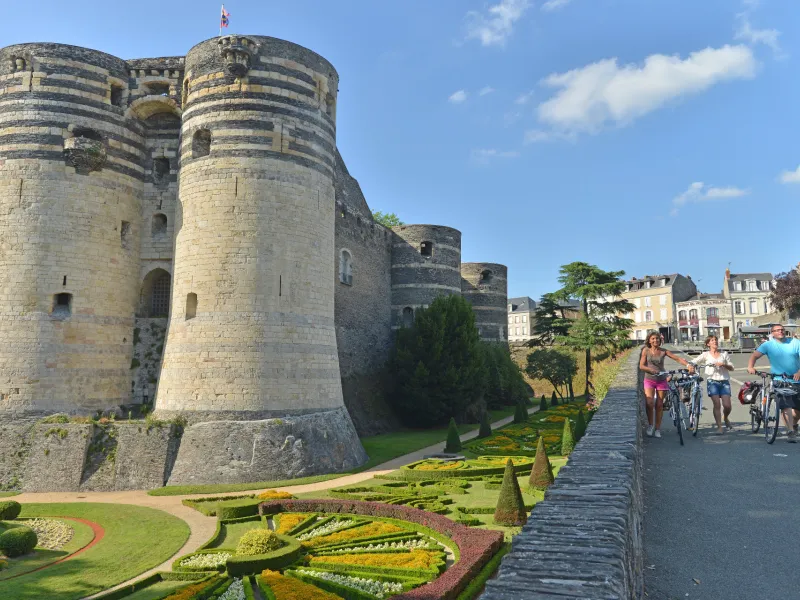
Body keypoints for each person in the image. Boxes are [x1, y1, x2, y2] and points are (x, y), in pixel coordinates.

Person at [747, 324, 800, 442]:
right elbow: (754, 356)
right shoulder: (768, 345)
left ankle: (794, 425)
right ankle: (790, 431)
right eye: (777, 330)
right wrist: (750, 367)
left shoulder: (795, 342)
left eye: (782, 330)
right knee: (786, 406)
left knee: (797, 411)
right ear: (773, 333)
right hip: (779, 380)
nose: (780, 331)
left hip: (796, 380)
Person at [640, 331, 694, 438]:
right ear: (649, 340)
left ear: (660, 340)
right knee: (649, 403)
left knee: (659, 405)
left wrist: (688, 365)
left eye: (657, 339)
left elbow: (677, 358)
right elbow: (641, 366)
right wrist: (650, 370)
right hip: (649, 379)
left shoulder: (663, 351)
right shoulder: (645, 351)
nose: (656, 340)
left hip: (661, 379)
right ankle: (651, 425)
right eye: (653, 338)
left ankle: (658, 429)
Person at [689, 335, 734, 434]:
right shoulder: (705, 355)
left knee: (727, 406)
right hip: (712, 381)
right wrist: (690, 366)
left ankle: (725, 417)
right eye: (712, 340)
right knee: (716, 404)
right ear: (708, 344)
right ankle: (719, 427)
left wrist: (724, 364)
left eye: (716, 340)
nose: (715, 342)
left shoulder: (724, 354)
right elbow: (694, 361)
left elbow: (731, 367)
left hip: (724, 381)